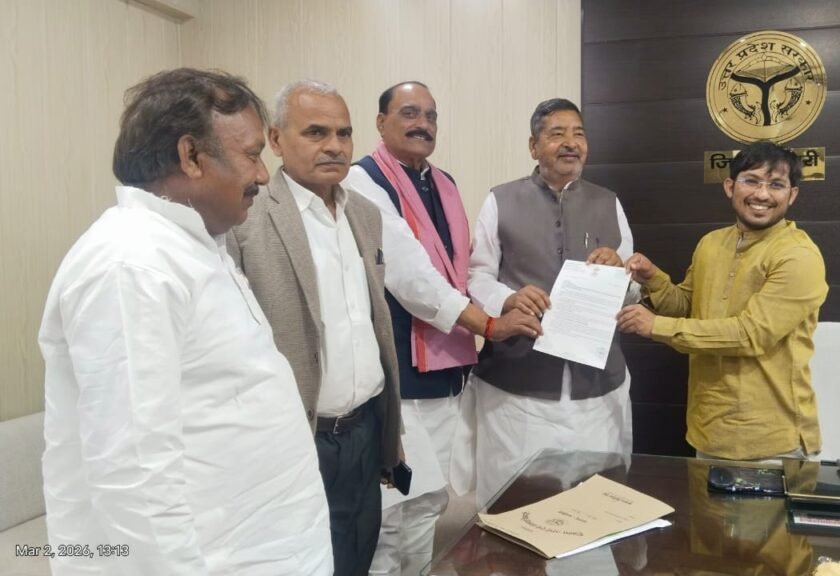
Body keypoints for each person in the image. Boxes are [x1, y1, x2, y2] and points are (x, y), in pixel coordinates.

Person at [38, 68, 331, 575]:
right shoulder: (132, 264)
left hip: (267, 546)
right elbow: (133, 477)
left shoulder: (195, 245)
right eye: (252, 154)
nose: (264, 175)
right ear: (190, 155)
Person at [344, 81, 540, 576]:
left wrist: (504, 299)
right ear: (381, 122)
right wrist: (489, 324)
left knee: (430, 500)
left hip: (447, 368)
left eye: (431, 116)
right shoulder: (362, 180)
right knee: (393, 507)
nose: (423, 124)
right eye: (410, 113)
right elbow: (413, 279)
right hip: (397, 372)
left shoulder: (443, 182)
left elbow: (462, 272)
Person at [461, 98, 636, 506]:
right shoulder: (500, 200)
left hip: (597, 385)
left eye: (578, 134)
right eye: (557, 134)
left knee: (594, 500)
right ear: (533, 146)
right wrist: (509, 299)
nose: (570, 143)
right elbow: (477, 276)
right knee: (514, 500)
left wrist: (620, 272)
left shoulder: (608, 202)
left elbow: (632, 289)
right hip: (517, 384)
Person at [617, 140, 828, 461]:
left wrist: (656, 326)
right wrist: (652, 277)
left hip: (772, 440)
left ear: (792, 194)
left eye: (776, 185)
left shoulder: (798, 255)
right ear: (730, 186)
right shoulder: (711, 243)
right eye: (751, 181)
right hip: (708, 430)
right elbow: (688, 306)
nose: (762, 194)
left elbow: (750, 334)